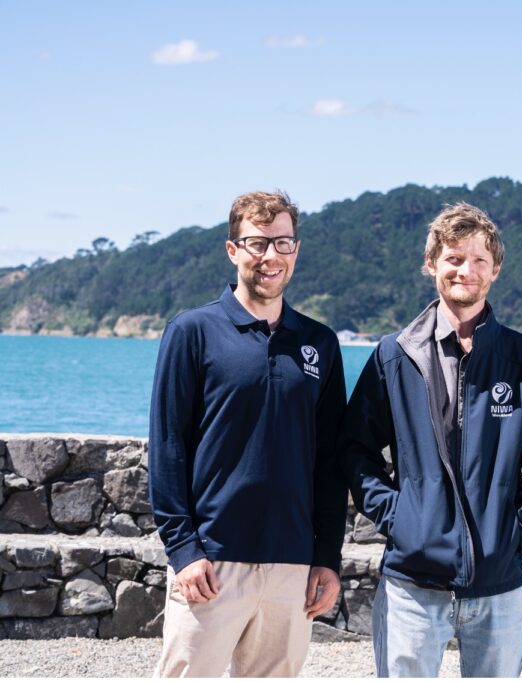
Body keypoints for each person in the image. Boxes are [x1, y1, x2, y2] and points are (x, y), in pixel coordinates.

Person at [342, 202, 522, 677]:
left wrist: (516, 531)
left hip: (499, 584)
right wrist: (401, 518)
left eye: (479, 260)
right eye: (453, 258)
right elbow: (355, 449)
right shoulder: (394, 356)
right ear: (431, 264)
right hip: (412, 585)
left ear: (496, 269)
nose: (466, 270)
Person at [148, 190, 346, 677]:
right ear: (233, 250)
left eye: (282, 243)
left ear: (296, 250)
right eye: (257, 243)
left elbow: (330, 459)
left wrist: (326, 558)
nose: (270, 256)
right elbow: (168, 447)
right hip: (211, 562)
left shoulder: (320, 343)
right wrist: (184, 551)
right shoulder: (192, 331)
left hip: (292, 567)